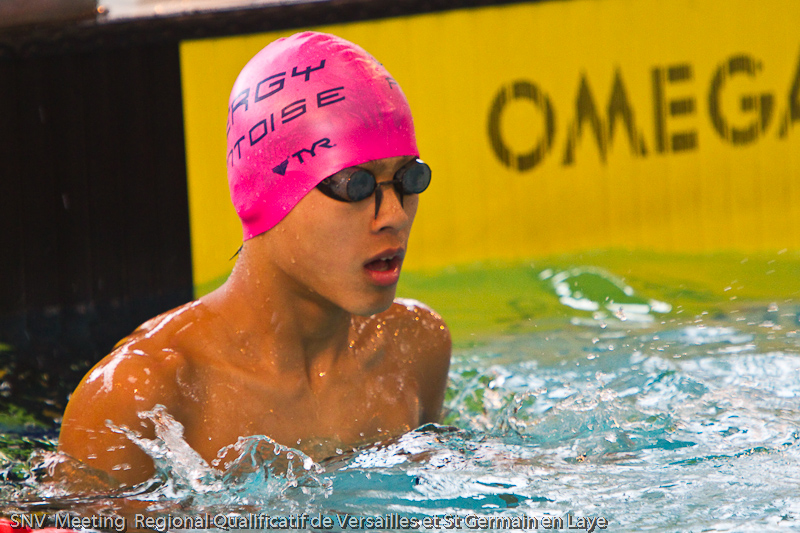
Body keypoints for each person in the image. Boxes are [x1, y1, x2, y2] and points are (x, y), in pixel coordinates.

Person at [57, 32, 451, 488]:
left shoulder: (413, 348)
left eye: (408, 179)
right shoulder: (141, 398)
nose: (394, 215)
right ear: (269, 192)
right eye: (355, 185)